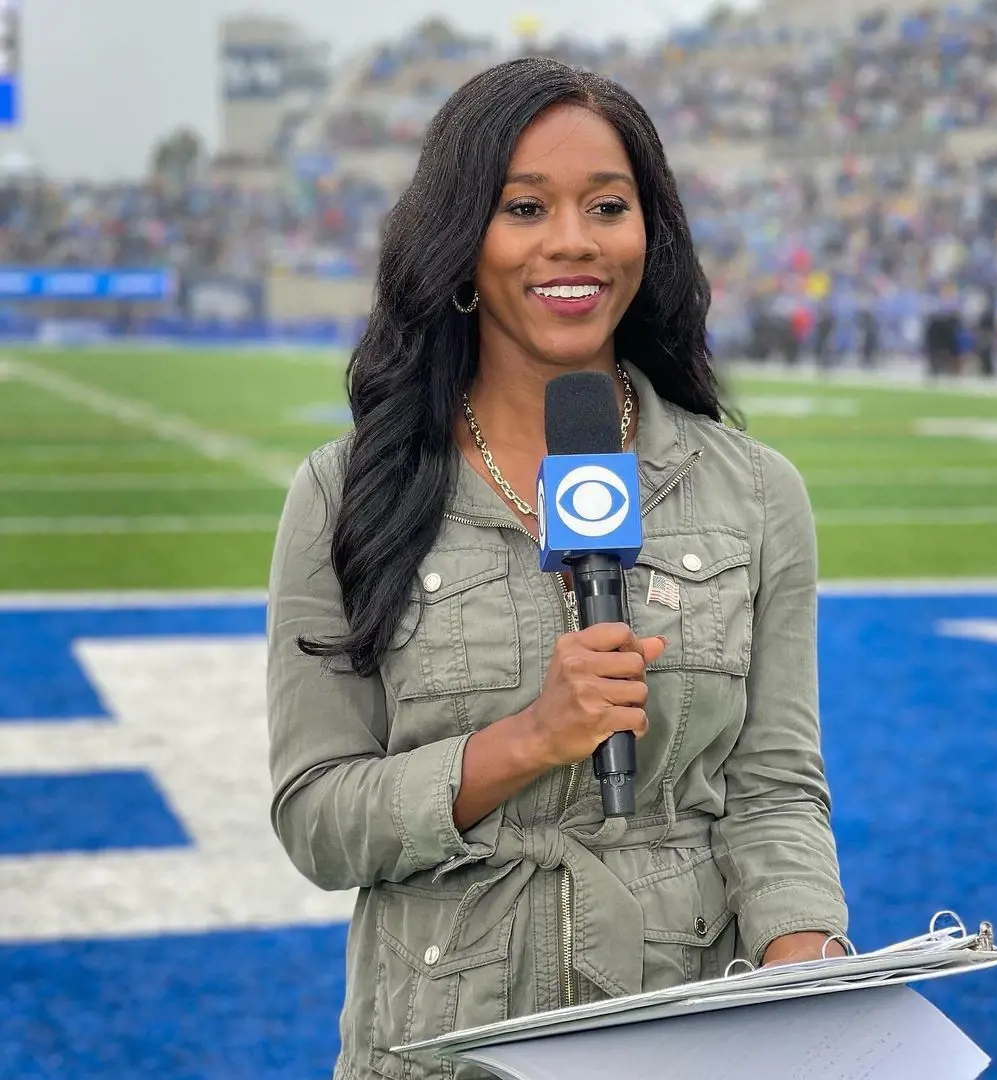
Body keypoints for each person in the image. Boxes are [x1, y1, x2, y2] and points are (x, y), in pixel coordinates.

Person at [266, 56, 849, 1080]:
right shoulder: (342, 493)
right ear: (460, 240)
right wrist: (530, 740)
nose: (573, 241)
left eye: (608, 206)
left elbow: (775, 792)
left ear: (649, 234)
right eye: (525, 207)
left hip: (684, 1036)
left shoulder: (756, 493)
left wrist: (805, 960)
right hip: (442, 1048)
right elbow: (318, 820)